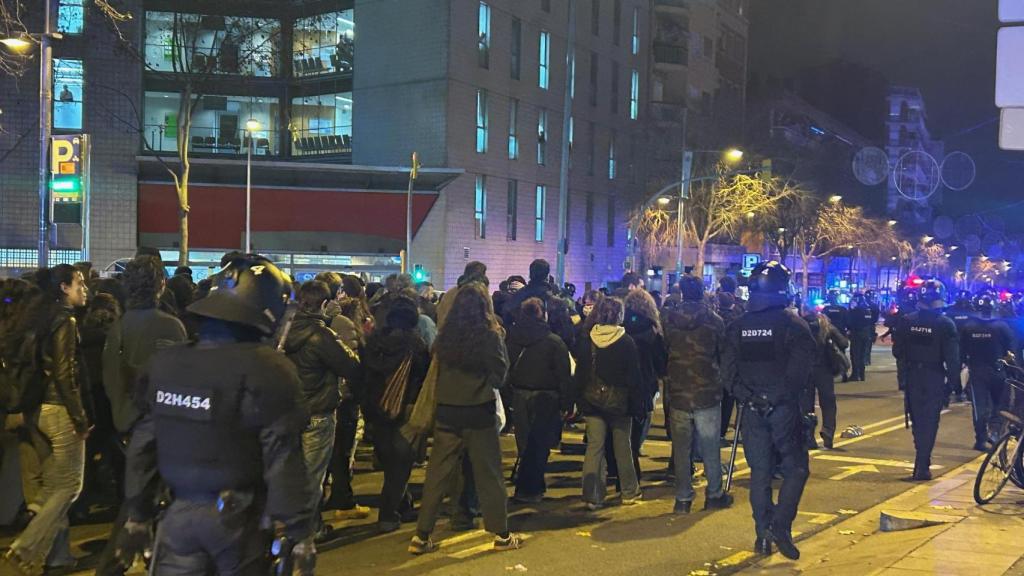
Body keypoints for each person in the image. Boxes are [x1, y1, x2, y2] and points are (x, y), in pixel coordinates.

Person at [117, 256, 316, 575]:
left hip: (177, 517)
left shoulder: (166, 363)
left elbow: (143, 444)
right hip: (239, 522)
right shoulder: (268, 368)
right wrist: (300, 531)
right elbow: (283, 455)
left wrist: (137, 514)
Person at [410, 283, 522, 554]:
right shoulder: (489, 335)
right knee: (489, 473)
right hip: (478, 409)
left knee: (437, 473)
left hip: (447, 409)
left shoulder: (446, 335)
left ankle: (422, 535)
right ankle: (501, 533)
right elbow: (500, 373)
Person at [721, 261, 814, 560]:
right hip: (782, 407)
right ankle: (780, 525)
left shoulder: (737, 326)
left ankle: (762, 535)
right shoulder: (793, 325)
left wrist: (750, 397)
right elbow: (800, 373)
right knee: (796, 468)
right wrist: (773, 398)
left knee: (760, 474)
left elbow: (727, 374)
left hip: (751, 408)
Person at [4, 265, 91, 574]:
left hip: (37, 411)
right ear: (64, 287)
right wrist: (80, 418)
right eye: (79, 283)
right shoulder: (65, 321)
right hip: (60, 410)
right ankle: (25, 548)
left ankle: (41, 539)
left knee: (54, 484)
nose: (85, 289)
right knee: (70, 486)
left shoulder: (39, 317)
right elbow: (65, 374)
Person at [283, 280, 363, 540]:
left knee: (293, 474)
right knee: (313, 476)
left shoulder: (283, 331)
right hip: (317, 412)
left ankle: (296, 525)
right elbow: (351, 366)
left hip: (287, 412)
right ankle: (307, 531)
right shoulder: (322, 335)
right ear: (325, 304)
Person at [662, 275, 733, 514]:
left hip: (679, 389)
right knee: (710, 446)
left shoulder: (669, 319)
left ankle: (683, 497)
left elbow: (664, 349)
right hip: (707, 390)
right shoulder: (714, 320)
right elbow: (723, 352)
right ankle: (715, 493)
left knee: (682, 449)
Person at [363, 296, 430, 533]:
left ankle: (402, 503)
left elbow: (365, 377)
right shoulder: (416, 344)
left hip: (376, 409)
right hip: (405, 409)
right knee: (400, 465)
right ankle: (388, 513)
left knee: (389, 459)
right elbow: (423, 378)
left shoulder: (373, 342)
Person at [574, 297, 644, 510]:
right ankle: (629, 491)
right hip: (619, 403)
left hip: (592, 400)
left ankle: (592, 495)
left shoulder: (588, 339)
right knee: (623, 447)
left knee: (595, 447)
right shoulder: (626, 342)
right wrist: (638, 405)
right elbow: (634, 378)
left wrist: (577, 399)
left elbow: (581, 373)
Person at [892, 279, 960, 481]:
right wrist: (953, 386)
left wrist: (902, 377)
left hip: (913, 376)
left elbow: (898, 351)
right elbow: (953, 359)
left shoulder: (907, 320)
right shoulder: (945, 324)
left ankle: (920, 463)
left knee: (917, 420)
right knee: (930, 421)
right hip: (934, 377)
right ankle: (923, 464)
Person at [506, 298, 573, 503]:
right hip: (546, 396)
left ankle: (527, 484)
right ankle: (531, 486)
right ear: (542, 314)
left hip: (519, 394)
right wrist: (567, 403)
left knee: (525, 442)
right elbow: (564, 374)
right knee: (540, 444)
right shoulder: (553, 341)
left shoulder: (511, 339)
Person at [960, 293, 1016, 451]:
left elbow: (961, 351)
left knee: (979, 407)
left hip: (977, 371)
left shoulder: (968, 326)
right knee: (999, 405)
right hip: (998, 371)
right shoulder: (1001, 326)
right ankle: (995, 433)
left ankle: (981, 438)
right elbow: (1011, 350)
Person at [621, 289, 667, 480]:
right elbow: (660, 360)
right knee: (642, 421)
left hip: (623, 380)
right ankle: (633, 461)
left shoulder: (621, 325)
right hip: (646, 381)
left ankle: (620, 465)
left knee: (622, 426)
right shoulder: (653, 330)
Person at [801, 309, 848, 449]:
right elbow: (844, 343)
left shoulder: (800, 326)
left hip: (805, 370)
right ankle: (828, 433)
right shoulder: (827, 326)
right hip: (824, 369)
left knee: (806, 405)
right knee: (828, 403)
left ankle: (809, 437)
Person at [716, 276, 745, 438]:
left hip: (717, 360)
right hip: (734, 360)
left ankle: (720, 429)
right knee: (731, 397)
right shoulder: (740, 309)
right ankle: (733, 428)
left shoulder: (714, 308)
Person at [503, 259, 555, 327]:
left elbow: (507, 313)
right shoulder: (553, 296)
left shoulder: (520, 294)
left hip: (521, 334)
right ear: (547, 276)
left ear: (530, 274)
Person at [847, 293, 875, 381]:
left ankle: (855, 375)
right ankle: (862, 375)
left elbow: (850, 322)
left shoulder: (856, 310)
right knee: (862, 355)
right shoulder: (868, 309)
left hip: (857, 334)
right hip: (866, 334)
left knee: (855, 355)